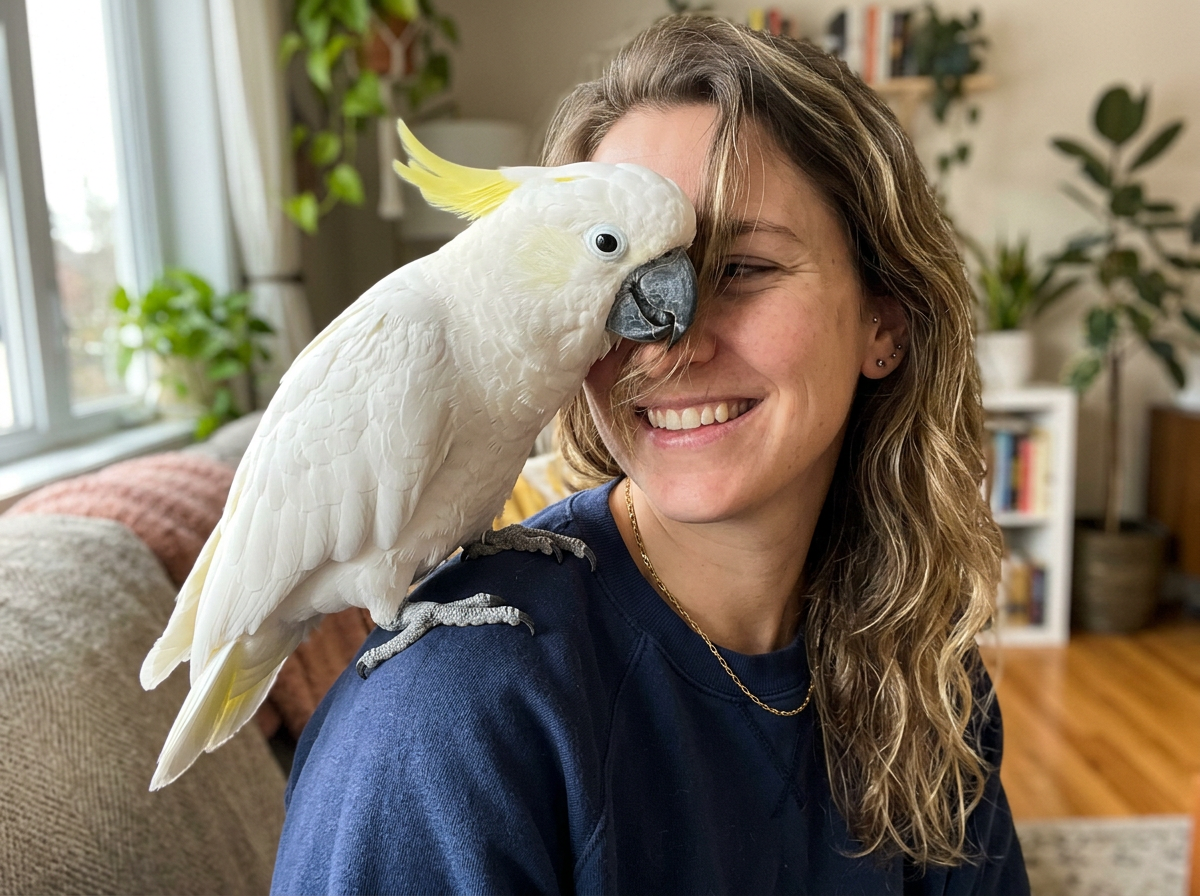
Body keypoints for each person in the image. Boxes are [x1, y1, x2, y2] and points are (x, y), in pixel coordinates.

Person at [271, 15, 1028, 895]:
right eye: (619, 285)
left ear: (884, 323)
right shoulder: (446, 725)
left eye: (742, 268)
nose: (671, 345)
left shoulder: (921, 665)